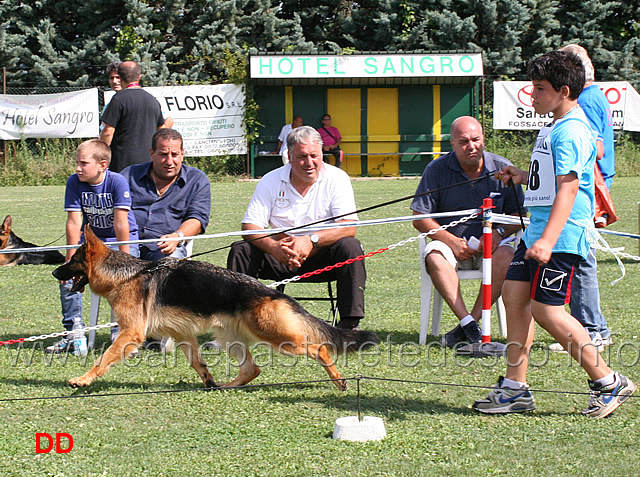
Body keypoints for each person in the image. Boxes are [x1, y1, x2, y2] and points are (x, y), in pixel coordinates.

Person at [473, 50, 635, 419]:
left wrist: (547, 240)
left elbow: (569, 189)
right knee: (514, 297)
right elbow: (551, 182)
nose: (532, 94)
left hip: (559, 237)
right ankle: (515, 388)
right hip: (537, 233)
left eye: (540, 88)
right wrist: (519, 175)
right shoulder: (554, 125)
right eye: (532, 87)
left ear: (563, 90)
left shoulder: (573, 130)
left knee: (547, 310)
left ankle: (608, 381)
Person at [228, 126, 366, 330]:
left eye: (314, 156)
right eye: (302, 157)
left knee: (351, 247)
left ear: (322, 155)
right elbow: (250, 225)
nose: (309, 163)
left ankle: (349, 326)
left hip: (322, 256)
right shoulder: (271, 180)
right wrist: (274, 248)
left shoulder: (337, 178)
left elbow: (348, 227)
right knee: (241, 250)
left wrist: (311, 240)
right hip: (280, 255)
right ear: (289, 157)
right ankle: (236, 325)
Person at [411, 116, 526, 348]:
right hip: (452, 245)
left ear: (483, 139)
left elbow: (520, 216)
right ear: (452, 143)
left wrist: (499, 233)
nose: (471, 146)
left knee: (508, 256)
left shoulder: (503, 168)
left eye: (476, 139)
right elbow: (419, 217)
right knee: (434, 256)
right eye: (463, 141)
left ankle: (470, 323)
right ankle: (469, 324)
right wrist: (451, 241)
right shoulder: (436, 169)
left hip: (493, 245)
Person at [545, 44, 614, 353]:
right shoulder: (592, 97)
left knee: (582, 259)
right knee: (581, 258)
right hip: (588, 185)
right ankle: (588, 326)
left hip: (588, 189)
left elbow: (596, 148)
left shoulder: (586, 100)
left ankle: (592, 329)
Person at [46, 139, 139, 353]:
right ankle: (74, 332)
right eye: (77, 163)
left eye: (83, 163)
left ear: (102, 165)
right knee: (67, 276)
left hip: (120, 240)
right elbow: (74, 221)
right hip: (91, 243)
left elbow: (121, 222)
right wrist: (70, 257)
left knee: (124, 282)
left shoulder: (117, 182)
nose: (78, 168)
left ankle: (121, 332)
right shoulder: (74, 182)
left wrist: (125, 260)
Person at [120, 128, 211, 261]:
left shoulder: (196, 180)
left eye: (174, 155)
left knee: (170, 265)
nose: (169, 162)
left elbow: (198, 219)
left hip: (165, 248)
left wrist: (177, 236)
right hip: (126, 245)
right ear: (152, 153)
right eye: (163, 154)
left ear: (182, 154)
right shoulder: (128, 175)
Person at [100, 61, 172, 172]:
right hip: (148, 161)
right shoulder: (152, 100)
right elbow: (162, 129)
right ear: (139, 77)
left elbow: (108, 132)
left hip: (122, 163)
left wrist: (100, 154)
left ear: (121, 78)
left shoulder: (118, 100)